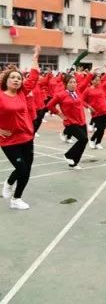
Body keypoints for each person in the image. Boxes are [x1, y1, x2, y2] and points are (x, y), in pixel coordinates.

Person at [0, 46, 40, 209]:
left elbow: (34, 76)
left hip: (26, 137)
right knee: (22, 168)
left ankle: (14, 192)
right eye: (13, 78)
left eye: (19, 78)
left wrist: (35, 56)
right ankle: (13, 194)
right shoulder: (1, 97)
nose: (16, 80)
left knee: (27, 168)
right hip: (9, 140)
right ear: (6, 81)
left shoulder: (22, 92)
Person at [47, 71, 90, 169]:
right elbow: (49, 105)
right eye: (70, 82)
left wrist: (90, 73)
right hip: (70, 122)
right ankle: (68, 155)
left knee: (83, 142)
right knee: (83, 139)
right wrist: (59, 114)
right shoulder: (60, 95)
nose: (73, 84)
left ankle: (74, 163)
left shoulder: (77, 92)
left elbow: (86, 82)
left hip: (81, 121)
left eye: (74, 82)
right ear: (65, 84)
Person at [82, 68, 106, 150]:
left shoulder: (102, 87)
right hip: (95, 112)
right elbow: (82, 100)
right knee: (100, 128)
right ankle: (92, 140)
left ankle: (98, 142)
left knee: (103, 128)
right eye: (95, 80)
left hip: (105, 110)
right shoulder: (87, 90)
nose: (97, 82)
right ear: (91, 81)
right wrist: (88, 106)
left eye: (98, 80)